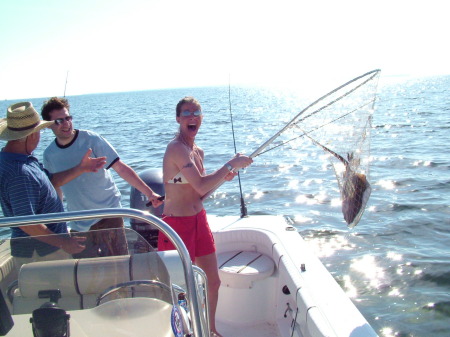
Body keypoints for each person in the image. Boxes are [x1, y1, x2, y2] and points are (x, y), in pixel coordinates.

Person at [158, 96, 253, 337]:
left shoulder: (197, 151)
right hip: (177, 226)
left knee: (213, 282)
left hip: (199, 220)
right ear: (178, 118)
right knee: (180, 289)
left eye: (196, 112)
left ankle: (209, 329)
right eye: (187, 113)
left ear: (201, 118)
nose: (192, 117)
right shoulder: (176, 148)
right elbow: (200, 185)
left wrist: (224, 176)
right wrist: (230, 165)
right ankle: (184, 331)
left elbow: (202, 190)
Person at [41, 97, 163, 257]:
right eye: (59, 121)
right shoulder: (49, 154)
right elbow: (56, 189)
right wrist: (60, 226)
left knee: (120, 266)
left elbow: (121, 168)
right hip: (79, 222)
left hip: (109, 215)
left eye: (68, 118)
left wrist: (149, 193)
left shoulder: (92, 139)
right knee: (87, 272)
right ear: (49, 124)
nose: (66, 123)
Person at [0, 102, 104, 270]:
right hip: (41, 253)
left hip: (46, 249)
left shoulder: (21, 159)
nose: (40, 136)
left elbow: (51, 181)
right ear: (31, 135)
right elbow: (27, 223)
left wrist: (81, 168)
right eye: (39, 131)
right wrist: (63, 242)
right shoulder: (19, 172)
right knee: (57, 293)